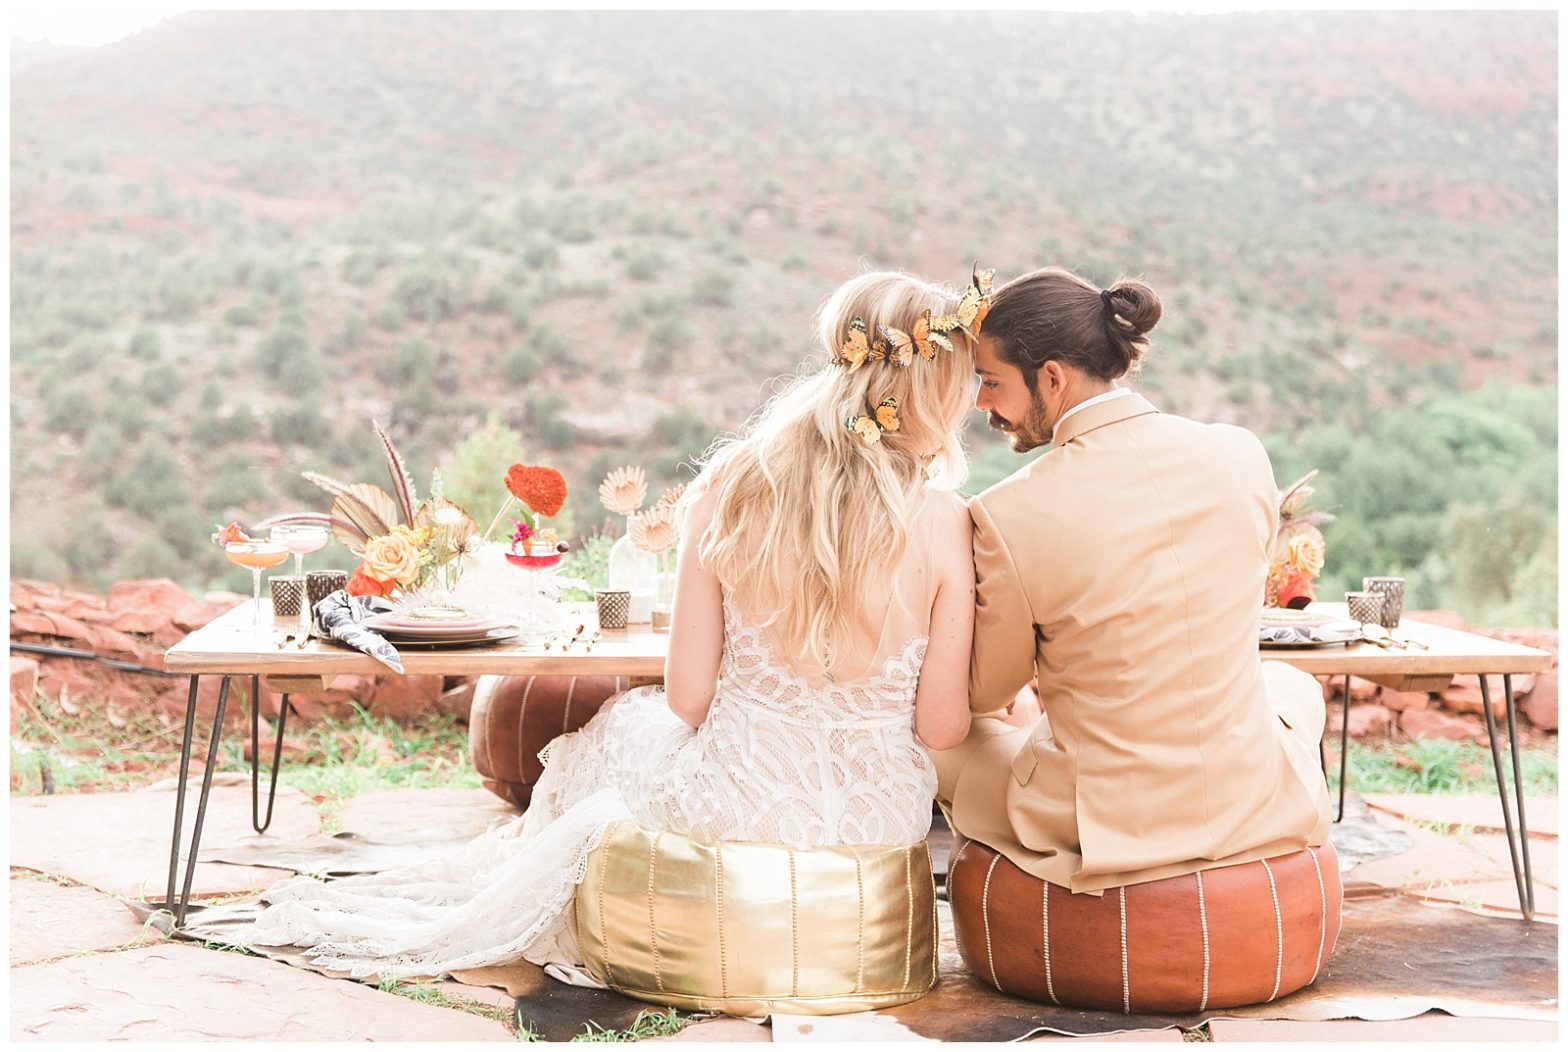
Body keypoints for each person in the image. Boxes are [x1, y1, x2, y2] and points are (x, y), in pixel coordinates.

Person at [243, 269, 979, 980]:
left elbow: (689, 698)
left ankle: (555, 893)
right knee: (631, 733)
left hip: (739, 802)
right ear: (931, 392)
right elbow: (941, 728)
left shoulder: (732, 488)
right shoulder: (950, 525)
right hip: (879, 817)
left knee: (619, 728)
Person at [934, 266, 1331, 896]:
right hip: (1246, 795)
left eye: (990, 381)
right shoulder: (1239, 452)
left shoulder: (1009, 512)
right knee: (1289, 685)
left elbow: (985, 693)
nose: (982, 404)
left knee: (943, 738)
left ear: (1053, 377)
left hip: (1104, 821)